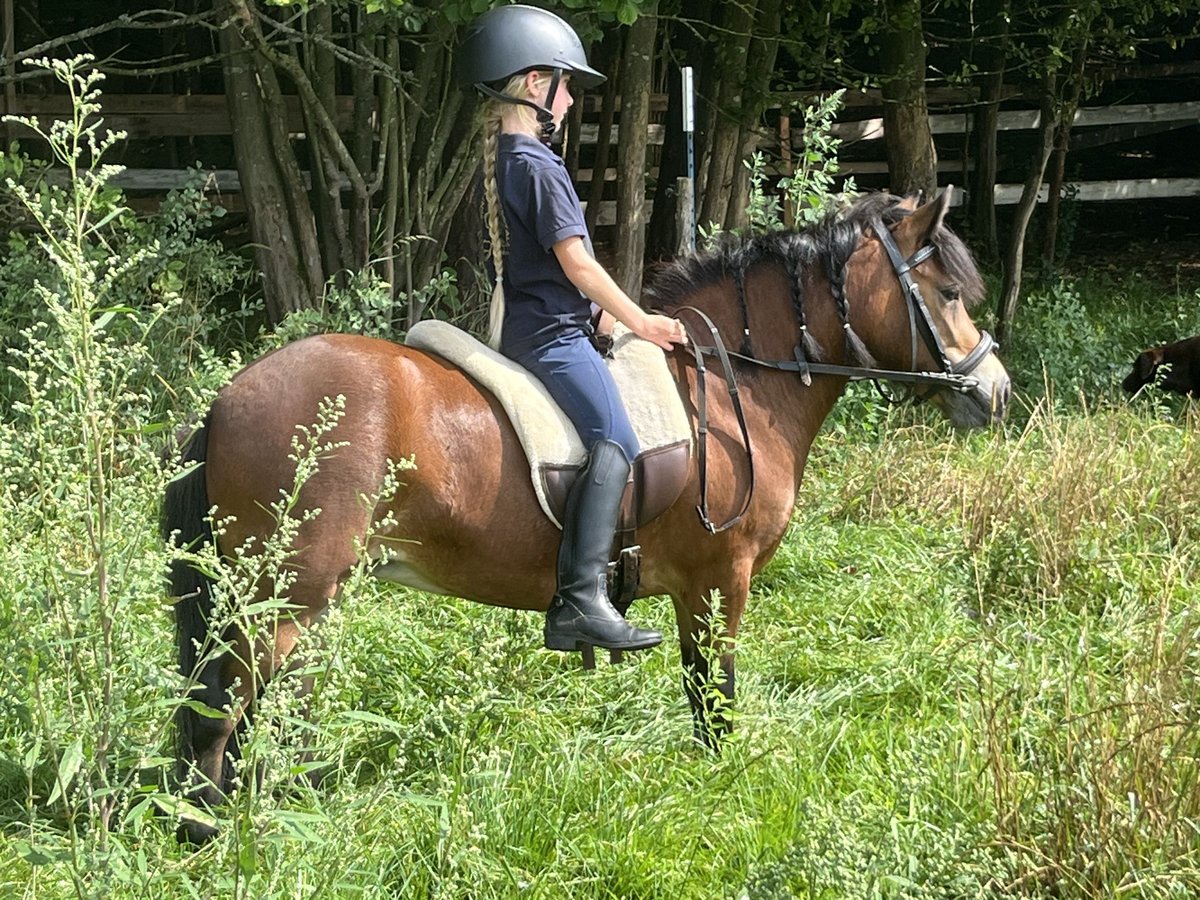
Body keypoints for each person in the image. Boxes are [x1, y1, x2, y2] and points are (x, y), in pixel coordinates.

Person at [458, 4, 686, 654]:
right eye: (564, 83)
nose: (569, 96)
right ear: (534, 84)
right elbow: (577, 263)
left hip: (531, 328)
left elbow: (539, 269)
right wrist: (641, 318)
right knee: (616, 441)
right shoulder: (537, 165)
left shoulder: (499, 161)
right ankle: (581, 600)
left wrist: (603, 312)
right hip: (553, 340)